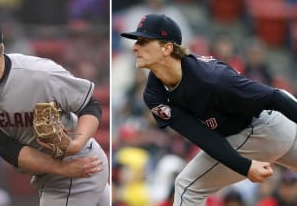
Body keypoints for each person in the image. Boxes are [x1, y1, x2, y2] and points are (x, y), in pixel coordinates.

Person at [120, 13, 297, 206]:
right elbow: (201, 136)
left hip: (262, 124)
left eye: (143, 41)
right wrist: (244, 167)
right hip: (252, 132)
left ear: (167, 47)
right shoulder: (154, 94)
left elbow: (275, 98)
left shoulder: (212, 78)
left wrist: (245, 167)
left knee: (188, 187)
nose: (135, 47)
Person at [0, 12, 110, 206]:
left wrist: (76, 143)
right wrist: (62, 169)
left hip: (81, 164)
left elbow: (89, 105)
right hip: (57, 171)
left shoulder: (39, 74)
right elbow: (8, 149)